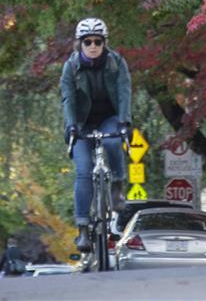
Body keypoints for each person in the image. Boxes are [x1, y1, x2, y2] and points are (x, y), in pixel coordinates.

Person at [60, 16, 132, 252]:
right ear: (79, 43)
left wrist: (124, 122)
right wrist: (71, 126)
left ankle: (117, 186)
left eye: (97, 41)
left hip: (109, 118)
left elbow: (124, 93)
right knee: (82, 172)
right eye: (87, 41)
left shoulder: (116, 63)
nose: (92, 46)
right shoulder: (70, 67)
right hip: (81, 123)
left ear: (104, 43)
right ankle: (82, 230)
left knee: (112, 144)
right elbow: (68, 99)